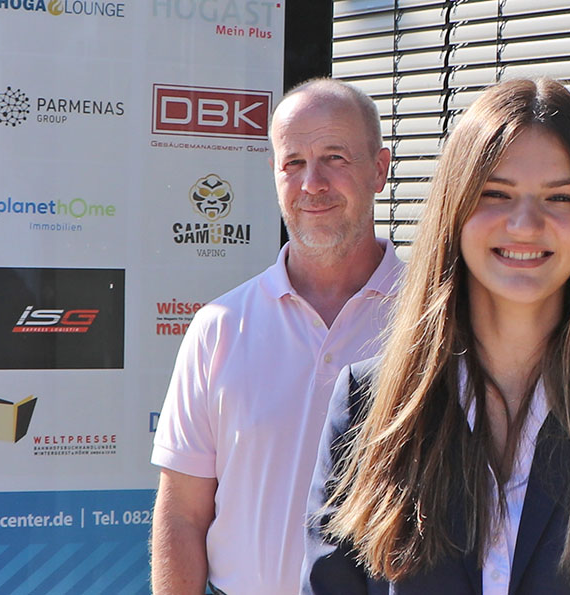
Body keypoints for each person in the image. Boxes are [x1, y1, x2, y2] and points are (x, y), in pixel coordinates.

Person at [302, 78, 570, 594]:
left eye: (559, 197)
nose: (525, 223)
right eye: (496, 194)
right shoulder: (369, 406)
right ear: (454, 212)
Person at [150, 78, 403, 595]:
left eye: (335, 157)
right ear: (274, 173)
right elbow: (183, 514)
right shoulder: (219, 327)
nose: (312, 183)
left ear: (379, 169)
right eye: (293, 163)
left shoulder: (434, 323)